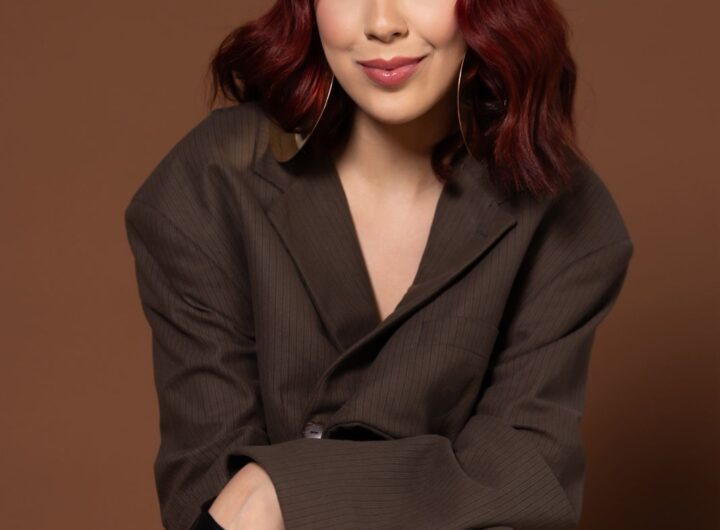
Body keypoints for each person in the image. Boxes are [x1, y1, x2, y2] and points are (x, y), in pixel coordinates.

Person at [124, 1, 635, 529]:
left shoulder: (566, 215)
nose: (383, 24)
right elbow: (210, 499)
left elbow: (528, 483)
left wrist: (283, 490)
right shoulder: (209, 183)